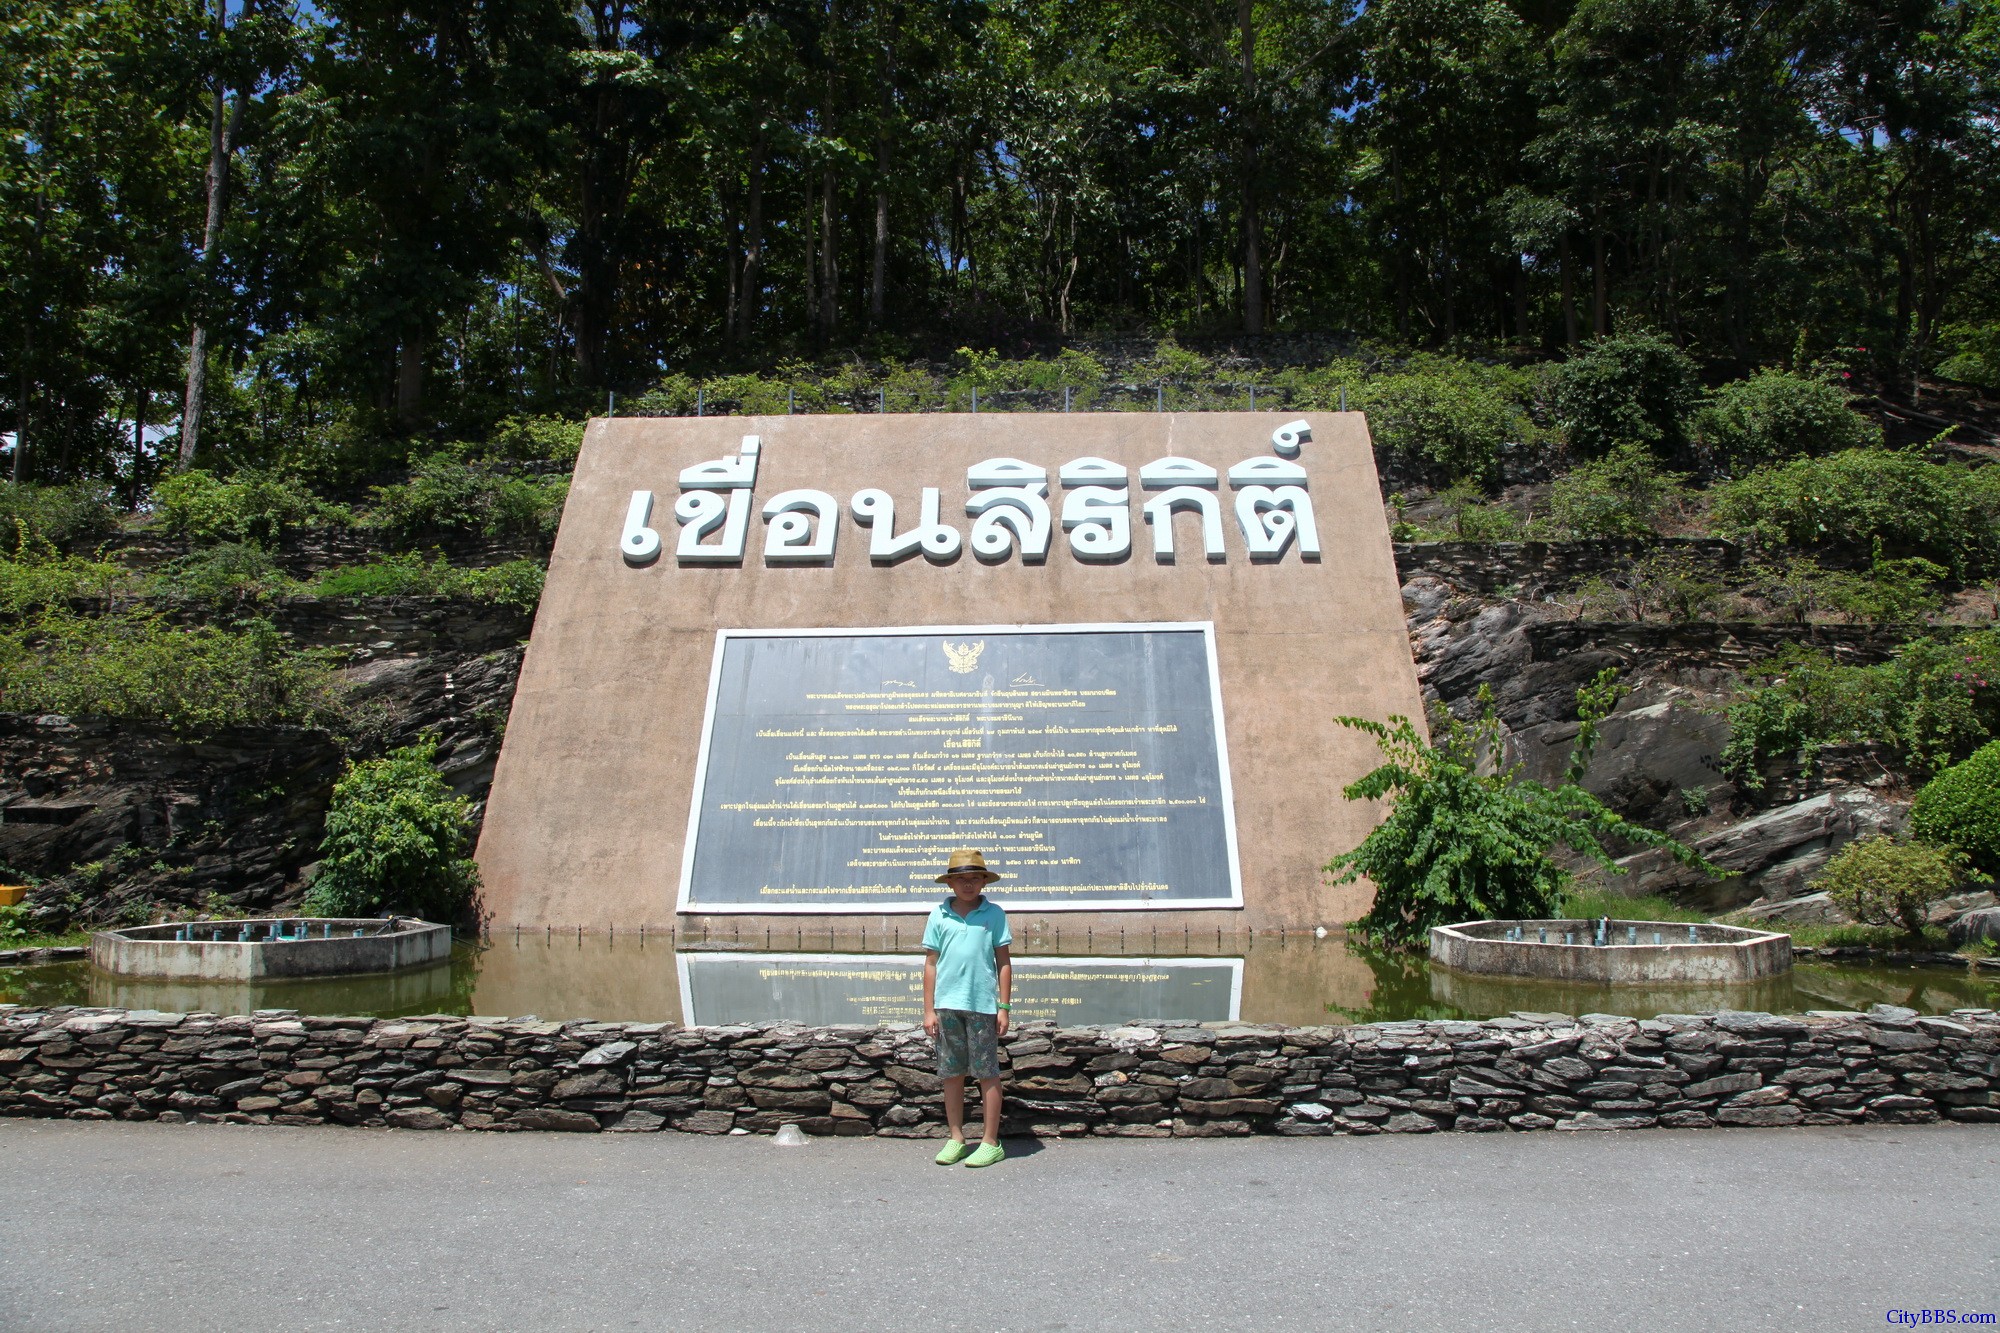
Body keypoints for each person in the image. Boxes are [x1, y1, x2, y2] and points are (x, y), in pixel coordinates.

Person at [921, 848, 1013, 1167]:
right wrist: (928, 1009)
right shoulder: (938, 915)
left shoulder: (994, 914)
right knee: (952, 1073)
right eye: (961, 879)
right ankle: (956, 1137)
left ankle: (990, 1141)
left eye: (974, 878)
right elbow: (931, 963)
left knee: (987, 1072)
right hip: (947, 1005)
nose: (968, 884)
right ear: (950, 884)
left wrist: (1003, 1006)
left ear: (984, 882)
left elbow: (1003, 961)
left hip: (982, 1005)